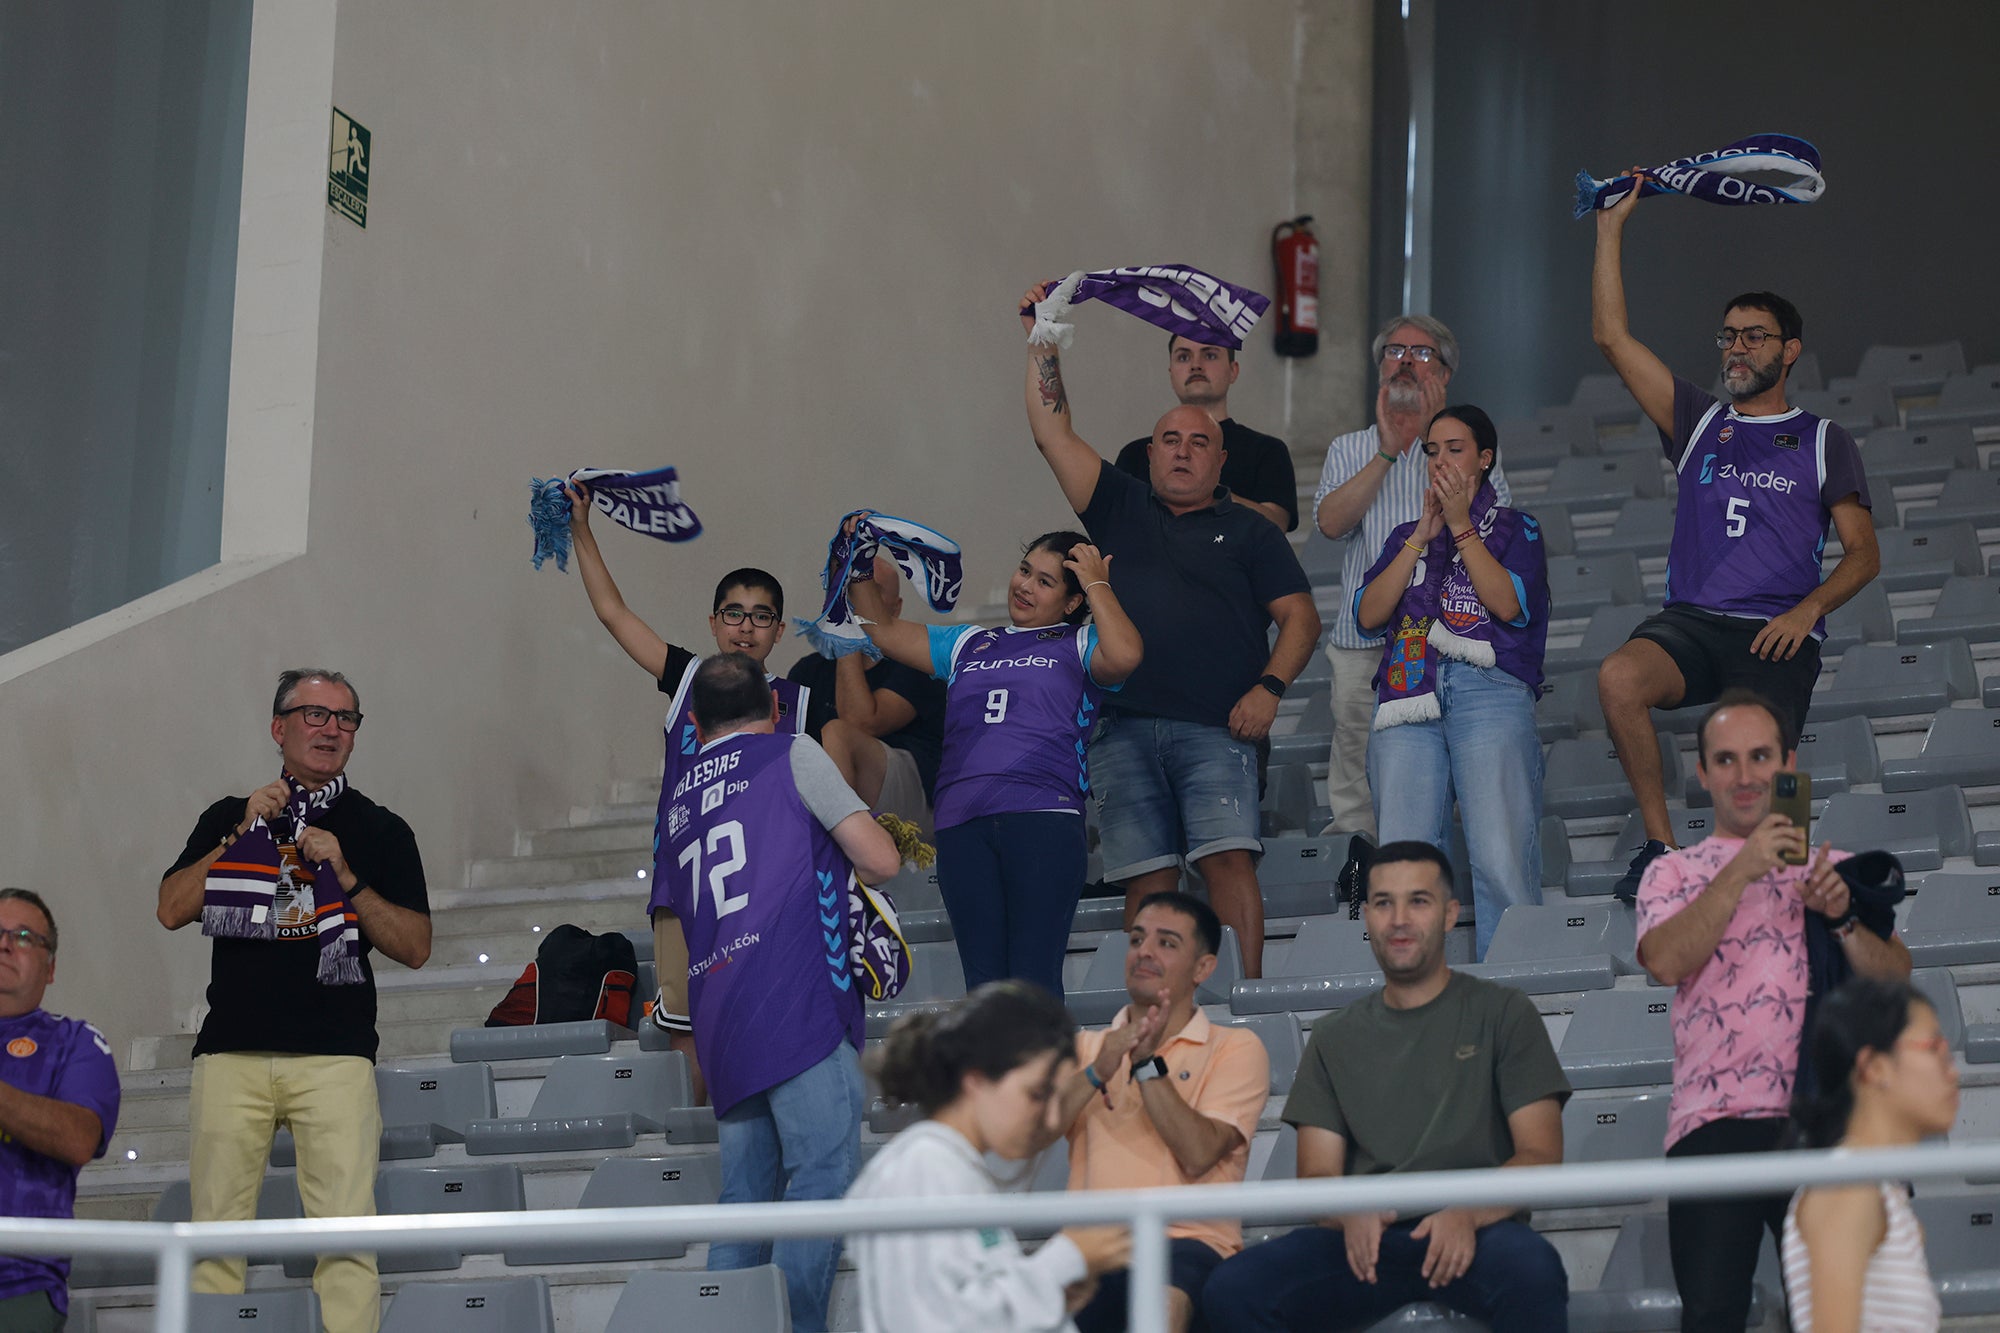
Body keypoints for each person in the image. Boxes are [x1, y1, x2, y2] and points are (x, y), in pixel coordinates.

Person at [1020, 281, 1322, 979]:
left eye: (1199, 442)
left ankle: (1245, 999)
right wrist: (1043, 337)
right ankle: (1153, 1011)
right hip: (1121, 728)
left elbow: (1300, 617)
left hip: (1219, 727)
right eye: (1168, 440)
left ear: (1222, 460)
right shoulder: (1120, 505)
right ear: (1148, 454)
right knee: (1147, 881)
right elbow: (1051, 430)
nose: (1183, 451)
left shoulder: (1250, 531)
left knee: (1227, 862)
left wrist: (1271, 687)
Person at [1590, 172, 1880, 897]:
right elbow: (1610, 335)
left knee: (1761, 753)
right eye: (1730, 335)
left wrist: (1809, 609)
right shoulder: (1698, 422)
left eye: (1755, 336)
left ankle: (1786, 866)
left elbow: (1866, 552)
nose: (1738, 347)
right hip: (1690, 621)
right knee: (1618, 676)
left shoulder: (1821, 439)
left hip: (1775, 627)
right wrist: (1610, 227)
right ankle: (1660, 847)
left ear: (1790, 351)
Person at [157, 670, 431, 1333]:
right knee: (214, 1243)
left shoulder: (380, 827)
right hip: (231, 1052)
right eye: (314, 713)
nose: (331, 728)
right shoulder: (231, 813)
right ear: (279, 727)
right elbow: (171, 908)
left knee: (344, 1243)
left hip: (335, 1055)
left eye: (346, 718)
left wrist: (347, 876)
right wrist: (240, 832)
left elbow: (416, 945)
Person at [1204, 841, 1571, 1333]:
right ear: (1368, 918)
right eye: (1382, 903)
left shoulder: (1504, 1013)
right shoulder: (1334, 1035)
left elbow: (1540, 1154)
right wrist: (1349, 1212)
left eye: (1418, 900)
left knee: (1535, 1271)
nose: (1399, 919)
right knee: (1232, 1290)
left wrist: (1466, 1213)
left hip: (1477, 1232)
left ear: (1449, 914)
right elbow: (1316, 1176)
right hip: (1365, 1237)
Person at [1635, 691, 1911, 1333]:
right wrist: (1742, 869)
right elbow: (1666, 961)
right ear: (1702, 774)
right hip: (1713, 1122)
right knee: (1711, 1316)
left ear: (1788, 763)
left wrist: (1842, 915)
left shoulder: (1833, 869)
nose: (1745, 774)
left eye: (1760, 756)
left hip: (1824, 1123)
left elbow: (1895, 979)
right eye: (1726, 760)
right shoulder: (1672, 873)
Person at [654, 652, 901, 1333]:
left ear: (696, 721)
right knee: (820, 1182)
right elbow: (880, 859)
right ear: (775, 707)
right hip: (795, 1000)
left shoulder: (677, 799)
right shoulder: (791, 753)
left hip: (721, 1015)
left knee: (746, 1203)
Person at [563, 480, 809, 1048]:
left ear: (778, 628)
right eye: (734, 613)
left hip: (764, 880)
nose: (745, 627)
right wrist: (581, 528)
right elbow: (611, 612)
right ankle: (702, 1136)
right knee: (688, 1028)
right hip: (685, 877)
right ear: (713, 623)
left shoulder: (799, 703)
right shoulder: (687, 679)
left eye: (761, 616)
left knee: (758, 1019)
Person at [848, 528, 1143, 996]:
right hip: (962, 823)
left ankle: (1044, 1072)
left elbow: (1127, 653)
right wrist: (859, 561)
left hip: (1043, 817)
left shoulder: (1082, 641)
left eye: (1046, 582)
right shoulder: (968, 643)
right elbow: (880, 629)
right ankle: (993, 1071)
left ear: (1071, 602)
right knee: (983, 988)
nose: (1025, 585)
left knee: (1033, 982)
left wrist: (1096, 584)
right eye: (1025, 570)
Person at [1354, 405, 1549, 959]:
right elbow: (1368, 615)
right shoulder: (1402, 536)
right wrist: (1421, 534)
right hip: (1405, 691)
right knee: (1402, 858)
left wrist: (1460, 525)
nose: (1440, 461)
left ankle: (1516, 999)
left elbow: (1508, 604)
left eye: (1454, 449)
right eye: (1431, 451)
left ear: (1485, 460)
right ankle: (1414, 996)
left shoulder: (1517, 527)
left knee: (1497, 853)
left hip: (1488, 690)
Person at [1313, 316, 1512, 840]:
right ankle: (1355, 880)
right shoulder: (1349, 449)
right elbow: (1331, 524)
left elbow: (1495, 534)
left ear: (1445, 375)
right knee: (1357, 783)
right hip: (1363, 643)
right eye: (1395, 351)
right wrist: (1388, 449)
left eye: (1421, 354)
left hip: (1441, 643)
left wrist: (1433, 439)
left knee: (1436, 776)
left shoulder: (1468, 451)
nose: (1404, 361)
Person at [1039, 892, 1268, 1333]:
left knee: (1161, 1304)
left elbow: (1199, 1152)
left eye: (1166, 943)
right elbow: (1030, 1139)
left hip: (1185, 1242)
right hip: (1089, 1248)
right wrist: (1096, 1071)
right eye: (1137, 939)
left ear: (1203, 968)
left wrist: (1146, 1065)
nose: (1144, 951)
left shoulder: (1237, 1047)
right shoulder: (1085, 1049)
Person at [849, 981, 1131, 1333]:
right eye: (1037, 1093)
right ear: (977, 1081)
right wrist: (1065, 1259)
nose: (1051, 1118)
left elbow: (973, 1305)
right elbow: (932, 1323)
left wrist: (1053, 1294)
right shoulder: (924, 1166)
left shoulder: (949, 1165)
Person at [1782, 977, 1953, 1332]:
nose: (1952, 1070)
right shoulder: (1848, 1187)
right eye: (1933, 1047)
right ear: (1874, 1067)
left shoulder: (1873, 1187)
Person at [0, 889, 120, 1333]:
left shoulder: (75, 1043)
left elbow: (78, 1138)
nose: (5, 943)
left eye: (24, 936)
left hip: (17, 1283)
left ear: (50, 968)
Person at [790, 553, 949, 838]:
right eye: (847, 589)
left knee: (838, 732)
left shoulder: (918, 664)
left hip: (918, 804)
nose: (854, 599)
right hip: (835, 798)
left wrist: (848, 635)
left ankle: (841, 855)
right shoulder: (807, 671)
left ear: (895, 609)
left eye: (869, 591)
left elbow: (861, 723)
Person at [1114, 335, 1298, 531]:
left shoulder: (1266, 450)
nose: (1196, 365)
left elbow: (1276, 525)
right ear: (1171, 372)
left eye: (1209, 355)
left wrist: (1210, 493)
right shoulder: (1135, 454)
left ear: (1233, 371)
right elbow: (1114, 525)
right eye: (1183, 357)